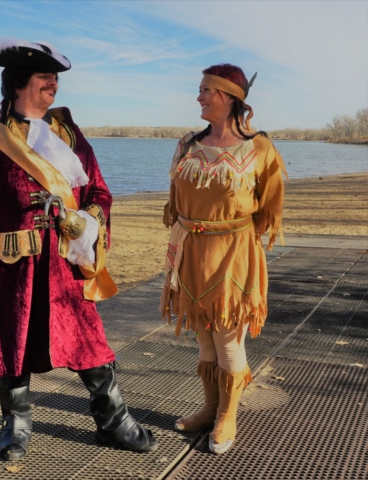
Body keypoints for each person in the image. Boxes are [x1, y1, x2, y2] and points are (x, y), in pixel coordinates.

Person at [0, 38, 157, 460]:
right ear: (18, 84)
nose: (54, 84)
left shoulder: (68, 134)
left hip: (66, 262)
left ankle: (113, 420)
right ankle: (16, 426)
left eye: (54, 77)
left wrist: (85, 223)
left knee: (87, 340)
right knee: (14, 345)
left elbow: (99, 191)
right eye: (44, 77)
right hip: (13, 265)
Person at [161, 64, 286, 454]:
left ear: (230, 97)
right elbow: (175, 201)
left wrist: (238, 236)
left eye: (206, 90)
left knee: (228, 338)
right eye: (200, 90)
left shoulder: (259, 148)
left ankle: (227, 416)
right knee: (204, 337)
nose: (198, 96)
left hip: (233, 251)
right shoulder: (187, 144)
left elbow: (270, 206)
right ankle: (210, 408)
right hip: (190, 252)